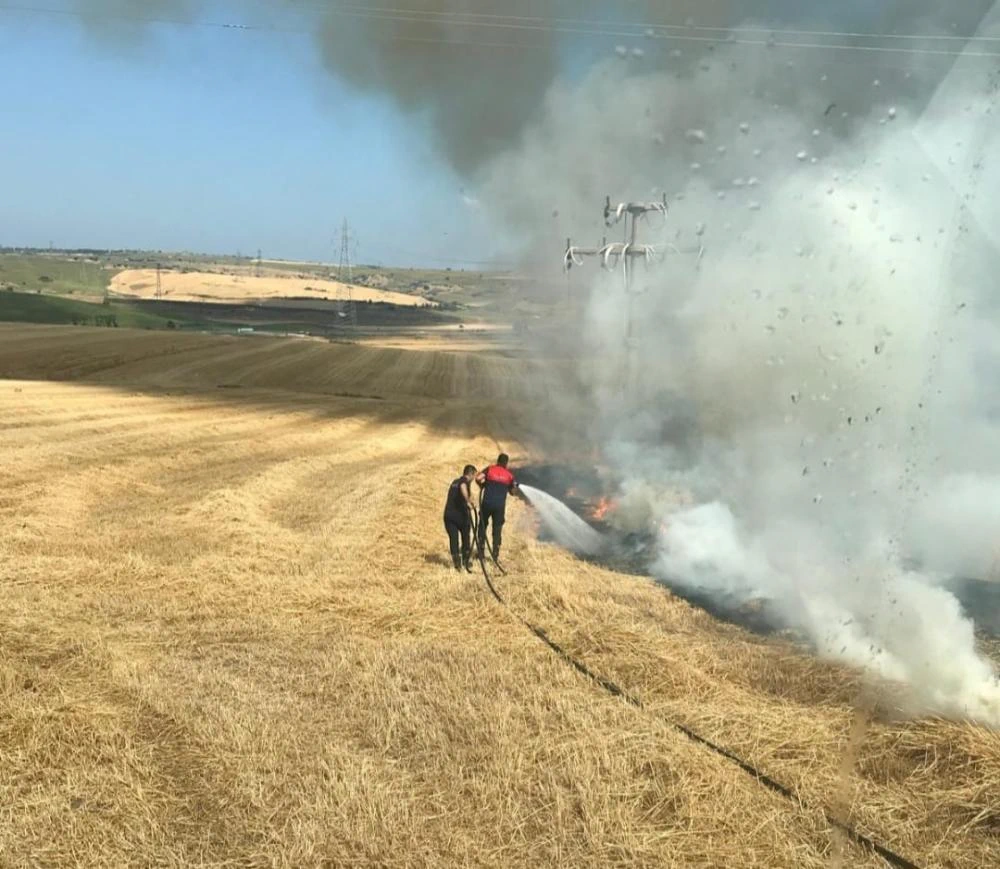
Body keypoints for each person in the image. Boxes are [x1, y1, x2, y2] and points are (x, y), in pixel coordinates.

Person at [476, 453, 521, 562]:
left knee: (482, 525)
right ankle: (495, 553)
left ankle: (481, 551)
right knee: (497, 529)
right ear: (506, 463)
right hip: (499, 507)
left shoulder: (490, 469)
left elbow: (478, 478)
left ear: (497, 461)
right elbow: (513, 492)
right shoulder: (509, 475)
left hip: (486, 503)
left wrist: (483, 485)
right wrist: (514, 487)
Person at [444, 465, 477, 571]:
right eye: (474, 476)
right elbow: (463, 487)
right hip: (460, 516)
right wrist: (468, 500)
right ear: (470, 474)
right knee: (465, 537)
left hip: (449, 515)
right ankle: (465, 560)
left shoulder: (454, 482)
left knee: (453, 539)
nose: (473, 479)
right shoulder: (464, 482)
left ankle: (457, 563)